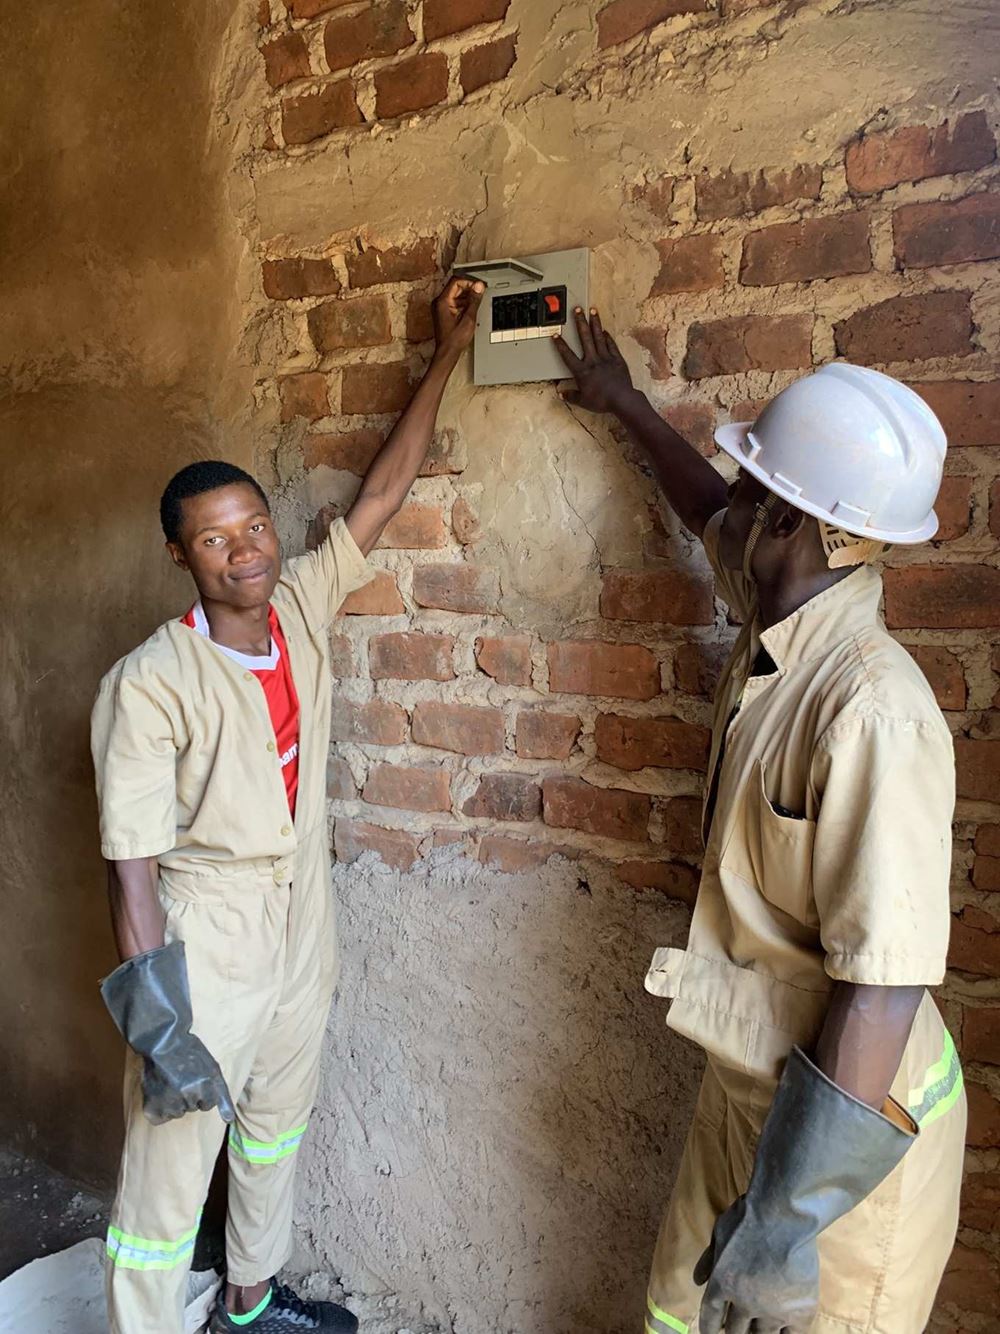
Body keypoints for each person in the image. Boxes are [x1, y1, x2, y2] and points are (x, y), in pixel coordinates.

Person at [554, 310, 966, 1334]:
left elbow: (883, 985)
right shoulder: (784, 604)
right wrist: (625, 406)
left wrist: (781, 1231)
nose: (730, 502)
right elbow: (706, 506)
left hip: (848, 1133)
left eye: (754, 489)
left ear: (793, 521)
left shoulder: (871, 706)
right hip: (752, 1083)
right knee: (677, 1308)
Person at [91, 276, 484, 1334]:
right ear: (181, 554)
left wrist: (444, 352)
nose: (246, 549)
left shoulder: (303, 601)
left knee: (274, 1124)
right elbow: (129, 866)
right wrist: (158, 1019)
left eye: (254, 525)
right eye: (216, 539)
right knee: (169, 1171)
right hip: (206, 932)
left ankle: (252, 1301)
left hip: (301, 911)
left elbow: (384, 493)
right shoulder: (148, 682)